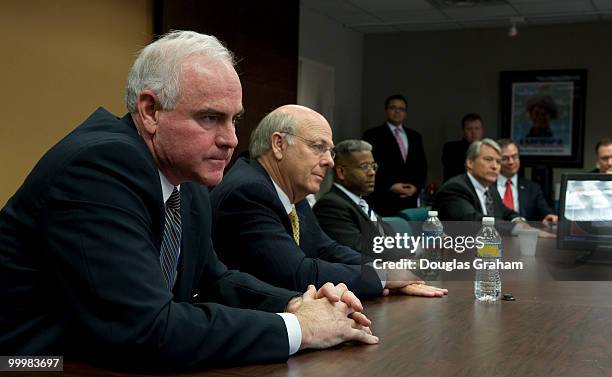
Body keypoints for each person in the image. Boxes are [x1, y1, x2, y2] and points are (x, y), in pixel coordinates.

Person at [0, 31, 378, 370]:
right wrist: (299, 329)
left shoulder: (188, 179)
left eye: (234, 120)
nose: (231, 139)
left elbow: (215, 280)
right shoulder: (101, 166)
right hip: (29, 361)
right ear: (150, 111)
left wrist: (297, 303)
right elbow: (148, 330)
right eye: (211, 118)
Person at [210, 105, 447, 299]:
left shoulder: (291, 190)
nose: (329, 162)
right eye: (317, 147)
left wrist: (394, 270)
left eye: (330, 151)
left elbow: (326, 249)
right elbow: (297, 274)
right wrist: (383, 275)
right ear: (279, 144)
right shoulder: (248, 191)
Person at [313, 139, 394, 254]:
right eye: (364, 167)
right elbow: (361, 249)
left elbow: (390, 237)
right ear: (341, 172)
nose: (372, 173)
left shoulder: (360, 202)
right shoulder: (330, 206)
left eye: (373, 166)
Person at [363, 94, 428, 216]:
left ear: (405, 113)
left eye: (401, 109)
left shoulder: (415, 136)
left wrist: (416, 187)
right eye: (393, 107)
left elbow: (422, 166)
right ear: (386, 111)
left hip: (410, 199)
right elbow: (370, 165)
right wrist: (390, 186)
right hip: (384, 198)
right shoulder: (372, 135)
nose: (397, 111)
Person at [434, 139, 521, 223]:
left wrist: (518, 220)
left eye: (498, 162)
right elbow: (472, 220)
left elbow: (505, 212)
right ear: (470, 163)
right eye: (488, 159)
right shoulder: (455, 188)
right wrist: (512, 227)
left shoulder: (490, 189)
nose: (495, 166)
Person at [496, 139, 558, 226]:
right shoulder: (488, 186)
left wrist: (549, 216)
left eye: (514, 156)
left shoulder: (532, 188)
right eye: (505, 158)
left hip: (525, 235)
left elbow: (544, 210)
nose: (511, 162)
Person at [441, 113, 484, 182]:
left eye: (477, 128)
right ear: (463, 131)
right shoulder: (451, 148)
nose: (474, 132)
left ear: (482, 131)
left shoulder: (488, 150)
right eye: (469, 129)